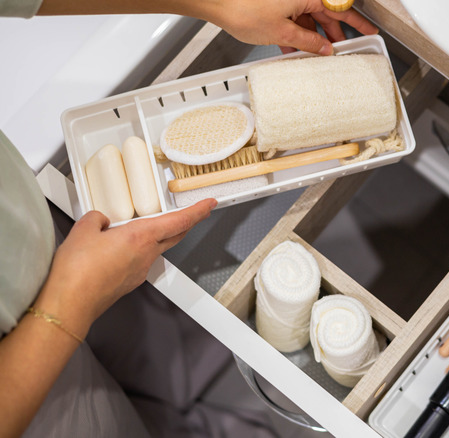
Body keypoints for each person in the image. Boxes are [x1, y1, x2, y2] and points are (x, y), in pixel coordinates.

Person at [0, 1, 378, 437]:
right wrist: (73, 300)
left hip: (39, 248)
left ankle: (177, 400)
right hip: (27, 390)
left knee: (135, 345)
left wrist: (218, 3)